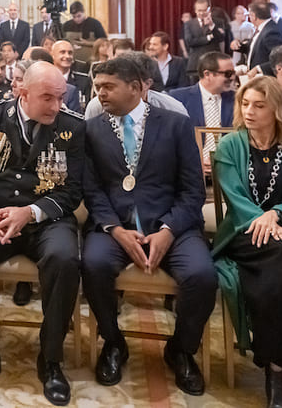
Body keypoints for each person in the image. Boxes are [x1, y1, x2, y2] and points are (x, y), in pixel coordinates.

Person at [82, 57, 216, 396]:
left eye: (108, 87)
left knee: (202, 275)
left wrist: (169, 229)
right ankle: (114, 343)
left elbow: (193, 191)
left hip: (173, 224)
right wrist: (114, 228)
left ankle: (181, 350)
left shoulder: (175, 124)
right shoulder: (94, 128)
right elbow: (92, 189)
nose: (101, 95)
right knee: (92, 264)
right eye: (98, 87)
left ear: (137, 86)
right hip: (115, 226)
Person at [0, 62, 84, 404]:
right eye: (47, 98)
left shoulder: (72, 126)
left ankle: (51, 358)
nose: (56, 106)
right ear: (22, 93)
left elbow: (72, 191)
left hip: (46, 218)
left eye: (61, 97)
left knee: (65, 258)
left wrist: (30, 212)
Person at [210, 76, 282, 408]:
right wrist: (266, 220)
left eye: (259, 105)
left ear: (278, 109)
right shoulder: (230, 146)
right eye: (245, 104)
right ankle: (280, 372)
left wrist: (279, 216)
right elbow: (235, 196)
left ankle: (274, 368)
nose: (250, 111)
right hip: (243, 232)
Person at [168, 51, 236, 128]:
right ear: (207, 74)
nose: (232, 77)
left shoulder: (237, 99)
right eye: (228, 74)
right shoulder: (178, 98)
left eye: (234, 73)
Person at [51, 40, 91, 108]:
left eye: (70, 53)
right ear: (53, 55)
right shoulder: (45, 79)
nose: (67, 56)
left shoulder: (84, 80)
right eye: (62, 52)